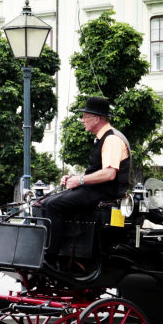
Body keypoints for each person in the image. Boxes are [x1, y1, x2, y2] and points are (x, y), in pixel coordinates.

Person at [41, 96, 130, 268]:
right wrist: (74, 178)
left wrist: (80, 180)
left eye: (85, 116)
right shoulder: (102, 138)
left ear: (97, 119)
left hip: (104, 193)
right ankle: (60, 253)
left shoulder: (111, 139)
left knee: (53, 205)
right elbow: (97, 170)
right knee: (44, 202)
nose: (82, 121)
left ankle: (51, 257)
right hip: (95, 190)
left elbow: (109, 174)